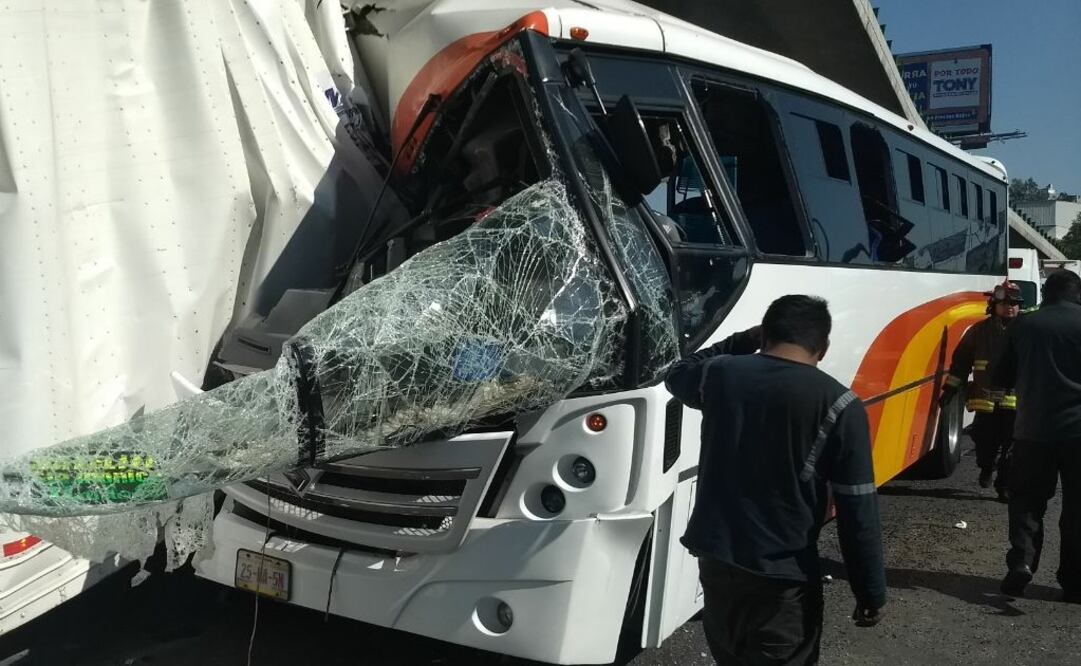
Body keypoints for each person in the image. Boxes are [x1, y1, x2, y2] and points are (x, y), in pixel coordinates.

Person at [666, 295, 886, 665]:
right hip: (783, 580)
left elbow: (678, 372)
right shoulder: (840, 404)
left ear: (765, 333)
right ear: (824, 347)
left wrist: (742, 340)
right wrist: (870, 592)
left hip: (718, 564)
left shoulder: (722, 375)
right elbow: (857, 510)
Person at [993, 270, 1081, 601]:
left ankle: (1023, 561)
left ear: (1045, 293)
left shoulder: (1025, 325)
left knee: (1027, 501)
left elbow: (1001, 376)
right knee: (1077, 509)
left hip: (1034, 431)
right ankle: (1074, 582)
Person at [939, 280, 1023, 501]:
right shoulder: (979, 331)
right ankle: (987, 466)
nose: (1010, 307)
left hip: (1016, 403)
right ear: (993, 305)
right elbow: (960, 363)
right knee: (984, 442)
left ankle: (1004, 485)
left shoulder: (1027, 331)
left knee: (1012, 448)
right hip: (985, 401)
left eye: (1015, 303)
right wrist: (950, 389)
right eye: (1005, 303)